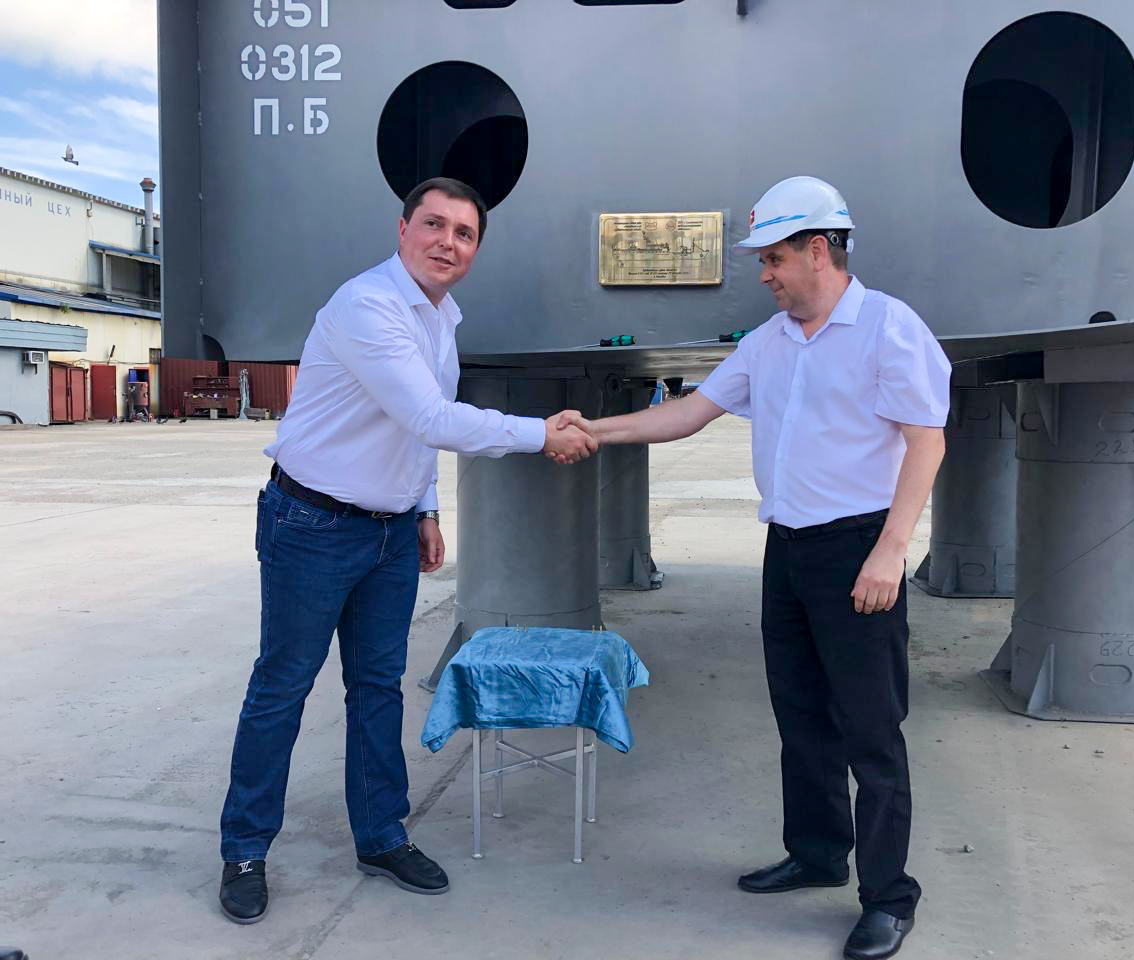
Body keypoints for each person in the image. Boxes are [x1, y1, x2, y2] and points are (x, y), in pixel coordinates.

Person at [561, 176, 949, 960]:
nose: (764, 274)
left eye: (773, 258)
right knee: (800, 715)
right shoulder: (769, 342)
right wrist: (595, 428)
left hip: (858, 549)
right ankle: (817, 852)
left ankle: (887, 898)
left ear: (818, 250)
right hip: (790, 551)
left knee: (871, 730)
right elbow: (689, 412)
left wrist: (891, 549)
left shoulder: (888, 328)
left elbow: (926, 439)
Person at [217, 177, 596, 924]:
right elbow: (429, 417)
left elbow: (413, 429)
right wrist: (540, 434)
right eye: (434, 224)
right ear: (402, 230)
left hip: (388, 534)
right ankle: (245, 849)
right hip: (312, 524)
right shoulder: (368, 306)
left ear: (475, 250)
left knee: (378, 687)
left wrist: (423, 508)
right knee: (282, 688)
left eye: (464, 233)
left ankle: (381, 835)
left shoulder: (441, 318)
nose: (447, 243)